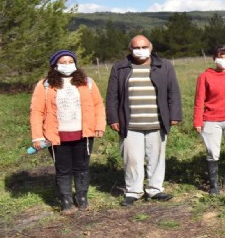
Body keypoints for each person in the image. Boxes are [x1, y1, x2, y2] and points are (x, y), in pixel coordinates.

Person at [106, 35, 182, 206]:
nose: (140, 50)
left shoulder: (164, 66)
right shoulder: (119, 68)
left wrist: (175, 114)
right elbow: (112, 96)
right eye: (136, 47)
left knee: (156, 157)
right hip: (130, 123)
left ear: (151, 47)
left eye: (144, 47)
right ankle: (134, 191)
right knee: (132, 159)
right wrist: (112, 117)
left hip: (157, 122)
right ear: (130, 49)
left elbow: (173, 92)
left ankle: (155, 189)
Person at [30, 50, 105, 214]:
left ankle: (82, 198)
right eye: (62, 62)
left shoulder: (87, 82)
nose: (67, 65)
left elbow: (98, 104)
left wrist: (99, 125)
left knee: (82, 167)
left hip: (83, 134)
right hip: (56, 136)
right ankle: (66, 201)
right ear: (55, 65)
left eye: (70, 61)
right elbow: (36, 111)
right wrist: (37, 136)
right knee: (63, 169)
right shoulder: (44, 85)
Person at [193, 46, 225, 196]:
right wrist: (197, 121)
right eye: (220, 57)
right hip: (211, 120)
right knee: (212, 153)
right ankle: (214, 186)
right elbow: (199, 100)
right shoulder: (204, 76)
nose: (223, 60)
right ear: (214, 58)